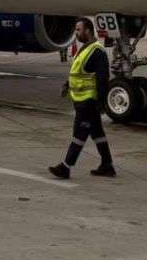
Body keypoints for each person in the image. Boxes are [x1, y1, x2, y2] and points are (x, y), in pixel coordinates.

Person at [49, 18, 115, 179]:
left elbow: (102, 79)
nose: (76, 33)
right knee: (96, 132)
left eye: (78, 30)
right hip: (81, 100)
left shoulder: (97, 52)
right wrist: (67, 85)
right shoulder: (85, 49)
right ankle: (107, 165)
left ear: (87, 31)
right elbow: (77, 72)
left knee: (79, 134)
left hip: (89, 102)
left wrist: (101, 103)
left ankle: (66, 167)